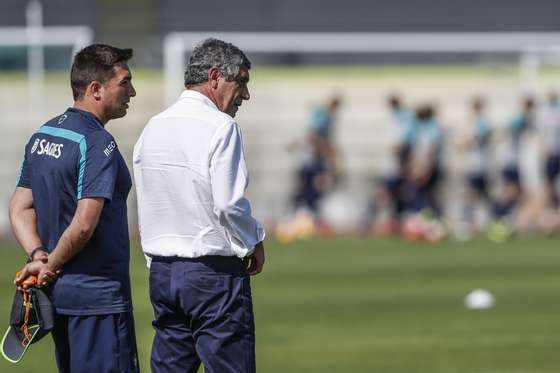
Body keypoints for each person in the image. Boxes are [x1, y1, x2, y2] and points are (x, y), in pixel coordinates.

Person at [133, 38, 265, 373]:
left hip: (163, 272)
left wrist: (154, 262)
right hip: (211, 274)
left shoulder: (153, 126)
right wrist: (254, 240)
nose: (245, 95)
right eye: (242, 83)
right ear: (216, 76)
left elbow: (146, 202)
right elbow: (228, 203)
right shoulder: (220, 126)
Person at [9, 44, 139, 372]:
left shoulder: (44, 134)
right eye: (124, 82)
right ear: (96, 89)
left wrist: (38, 256)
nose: (132, 91)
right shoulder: (98, 143)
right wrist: (49, 264)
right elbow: (84, 223)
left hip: (58, 299)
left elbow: (19, 207)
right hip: (98, 301)